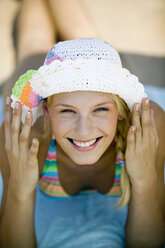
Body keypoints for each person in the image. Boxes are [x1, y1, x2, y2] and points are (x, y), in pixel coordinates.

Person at [0, 1, 164, 248]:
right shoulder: (29, 134)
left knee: (85, 36)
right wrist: (19, 190)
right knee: (34, 43)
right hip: (46, 106)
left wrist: (145, 181)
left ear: (120, 111)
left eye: (100, 110)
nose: (84, 131)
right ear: (46, 110)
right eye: (67, 111)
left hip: (107, 85)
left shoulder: (146, 127)